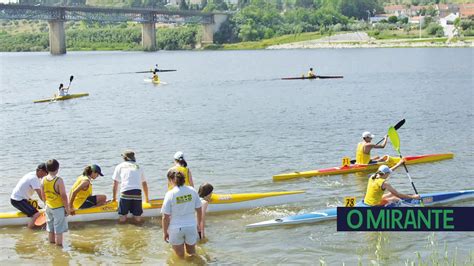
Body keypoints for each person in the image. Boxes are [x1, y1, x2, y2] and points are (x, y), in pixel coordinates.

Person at [162, 170, 202, 258]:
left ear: (172, 180)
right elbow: (199, 210)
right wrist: (199, 224)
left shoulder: (170, 194)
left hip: (176, 228)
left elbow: (165, 217)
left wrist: (165, 232)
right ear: (184, 179)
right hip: (191, 226)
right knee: (192, 254)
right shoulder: (192, 190)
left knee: (179, 257)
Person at [112, 150, 149, 223]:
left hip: (125, 192)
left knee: (123, 217)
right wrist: (147, 198)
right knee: (137, 217)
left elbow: (115, 183)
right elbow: (144, 184)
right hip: (137, 193)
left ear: (124, 158)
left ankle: (122, 230)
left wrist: (114, 198)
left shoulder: (120, 166)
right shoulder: (139, 166)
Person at [41, 159, 70, 247]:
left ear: (47, 169)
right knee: (59, 230)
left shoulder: (43, 179)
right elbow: (63, 196)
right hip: (58, 208)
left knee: (50, 228)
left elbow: (43, 195)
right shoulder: (59, 180)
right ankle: (59, 248)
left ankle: (51, 245)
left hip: (48, 207)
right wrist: (67, 208)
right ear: (57, 169)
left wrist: (45, 204)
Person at [10, 163, 48, 229]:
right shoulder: (34, 178)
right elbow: (40, 193)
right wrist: (47, 204)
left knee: (40, 209)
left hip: (22, 198)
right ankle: (29, 230)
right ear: (41, 171)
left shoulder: (33, 174)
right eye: (45, 173)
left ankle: (38, 225)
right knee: (36, 214)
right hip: (17, 200)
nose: (45, 175)